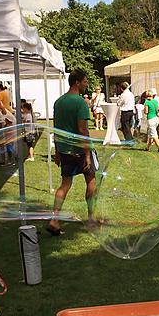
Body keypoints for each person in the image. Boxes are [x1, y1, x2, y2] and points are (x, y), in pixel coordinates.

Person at [47, 70, 97, 235]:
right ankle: (91, 219)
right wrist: (88, 154)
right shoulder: (80, 103)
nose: (86, 84)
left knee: (65, 184)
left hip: (64, 150)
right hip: (80, 151)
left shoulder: (58, 102)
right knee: (91, 181)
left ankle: (54, 220)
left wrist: (58, 151)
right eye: (85, 81)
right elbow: (83, 130)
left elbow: (56, 129)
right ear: (77, 82)